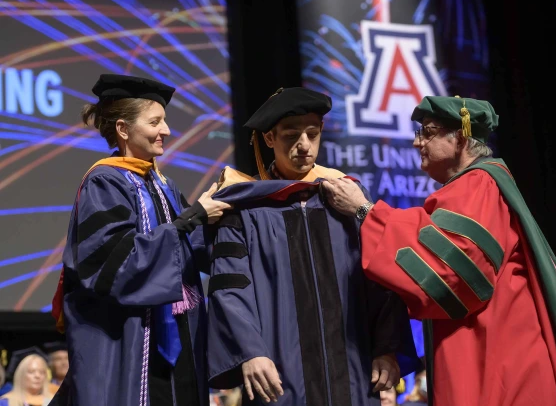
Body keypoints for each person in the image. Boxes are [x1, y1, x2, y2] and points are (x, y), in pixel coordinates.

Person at [322, 95, 556, 406]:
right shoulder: (480, 185)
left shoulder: (478, 185)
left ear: (462, 138)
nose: (417, 143)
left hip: (500, 361)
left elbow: (452, 274)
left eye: (428, 131)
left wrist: (365, 211)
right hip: (494, 351)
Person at [206, 87, 419, 405]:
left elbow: (381, 280)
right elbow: (231, 289)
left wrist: (387, 348)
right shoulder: (246, 207)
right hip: (278, 374)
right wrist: (250, 352)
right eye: (291, 135)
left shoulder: (346, 199)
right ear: (269, 139)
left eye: (312, 133)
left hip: (353, 372)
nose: (304, 145)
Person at [49, 74, 231, 406]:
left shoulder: (164, 184)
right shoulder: (105, 182)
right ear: (123, 129)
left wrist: (225, 214)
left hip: (182, 337)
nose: (167, 131)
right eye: (155, 122)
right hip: (134, 340)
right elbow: (110, 265)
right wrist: (192, 219)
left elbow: (191, 248)